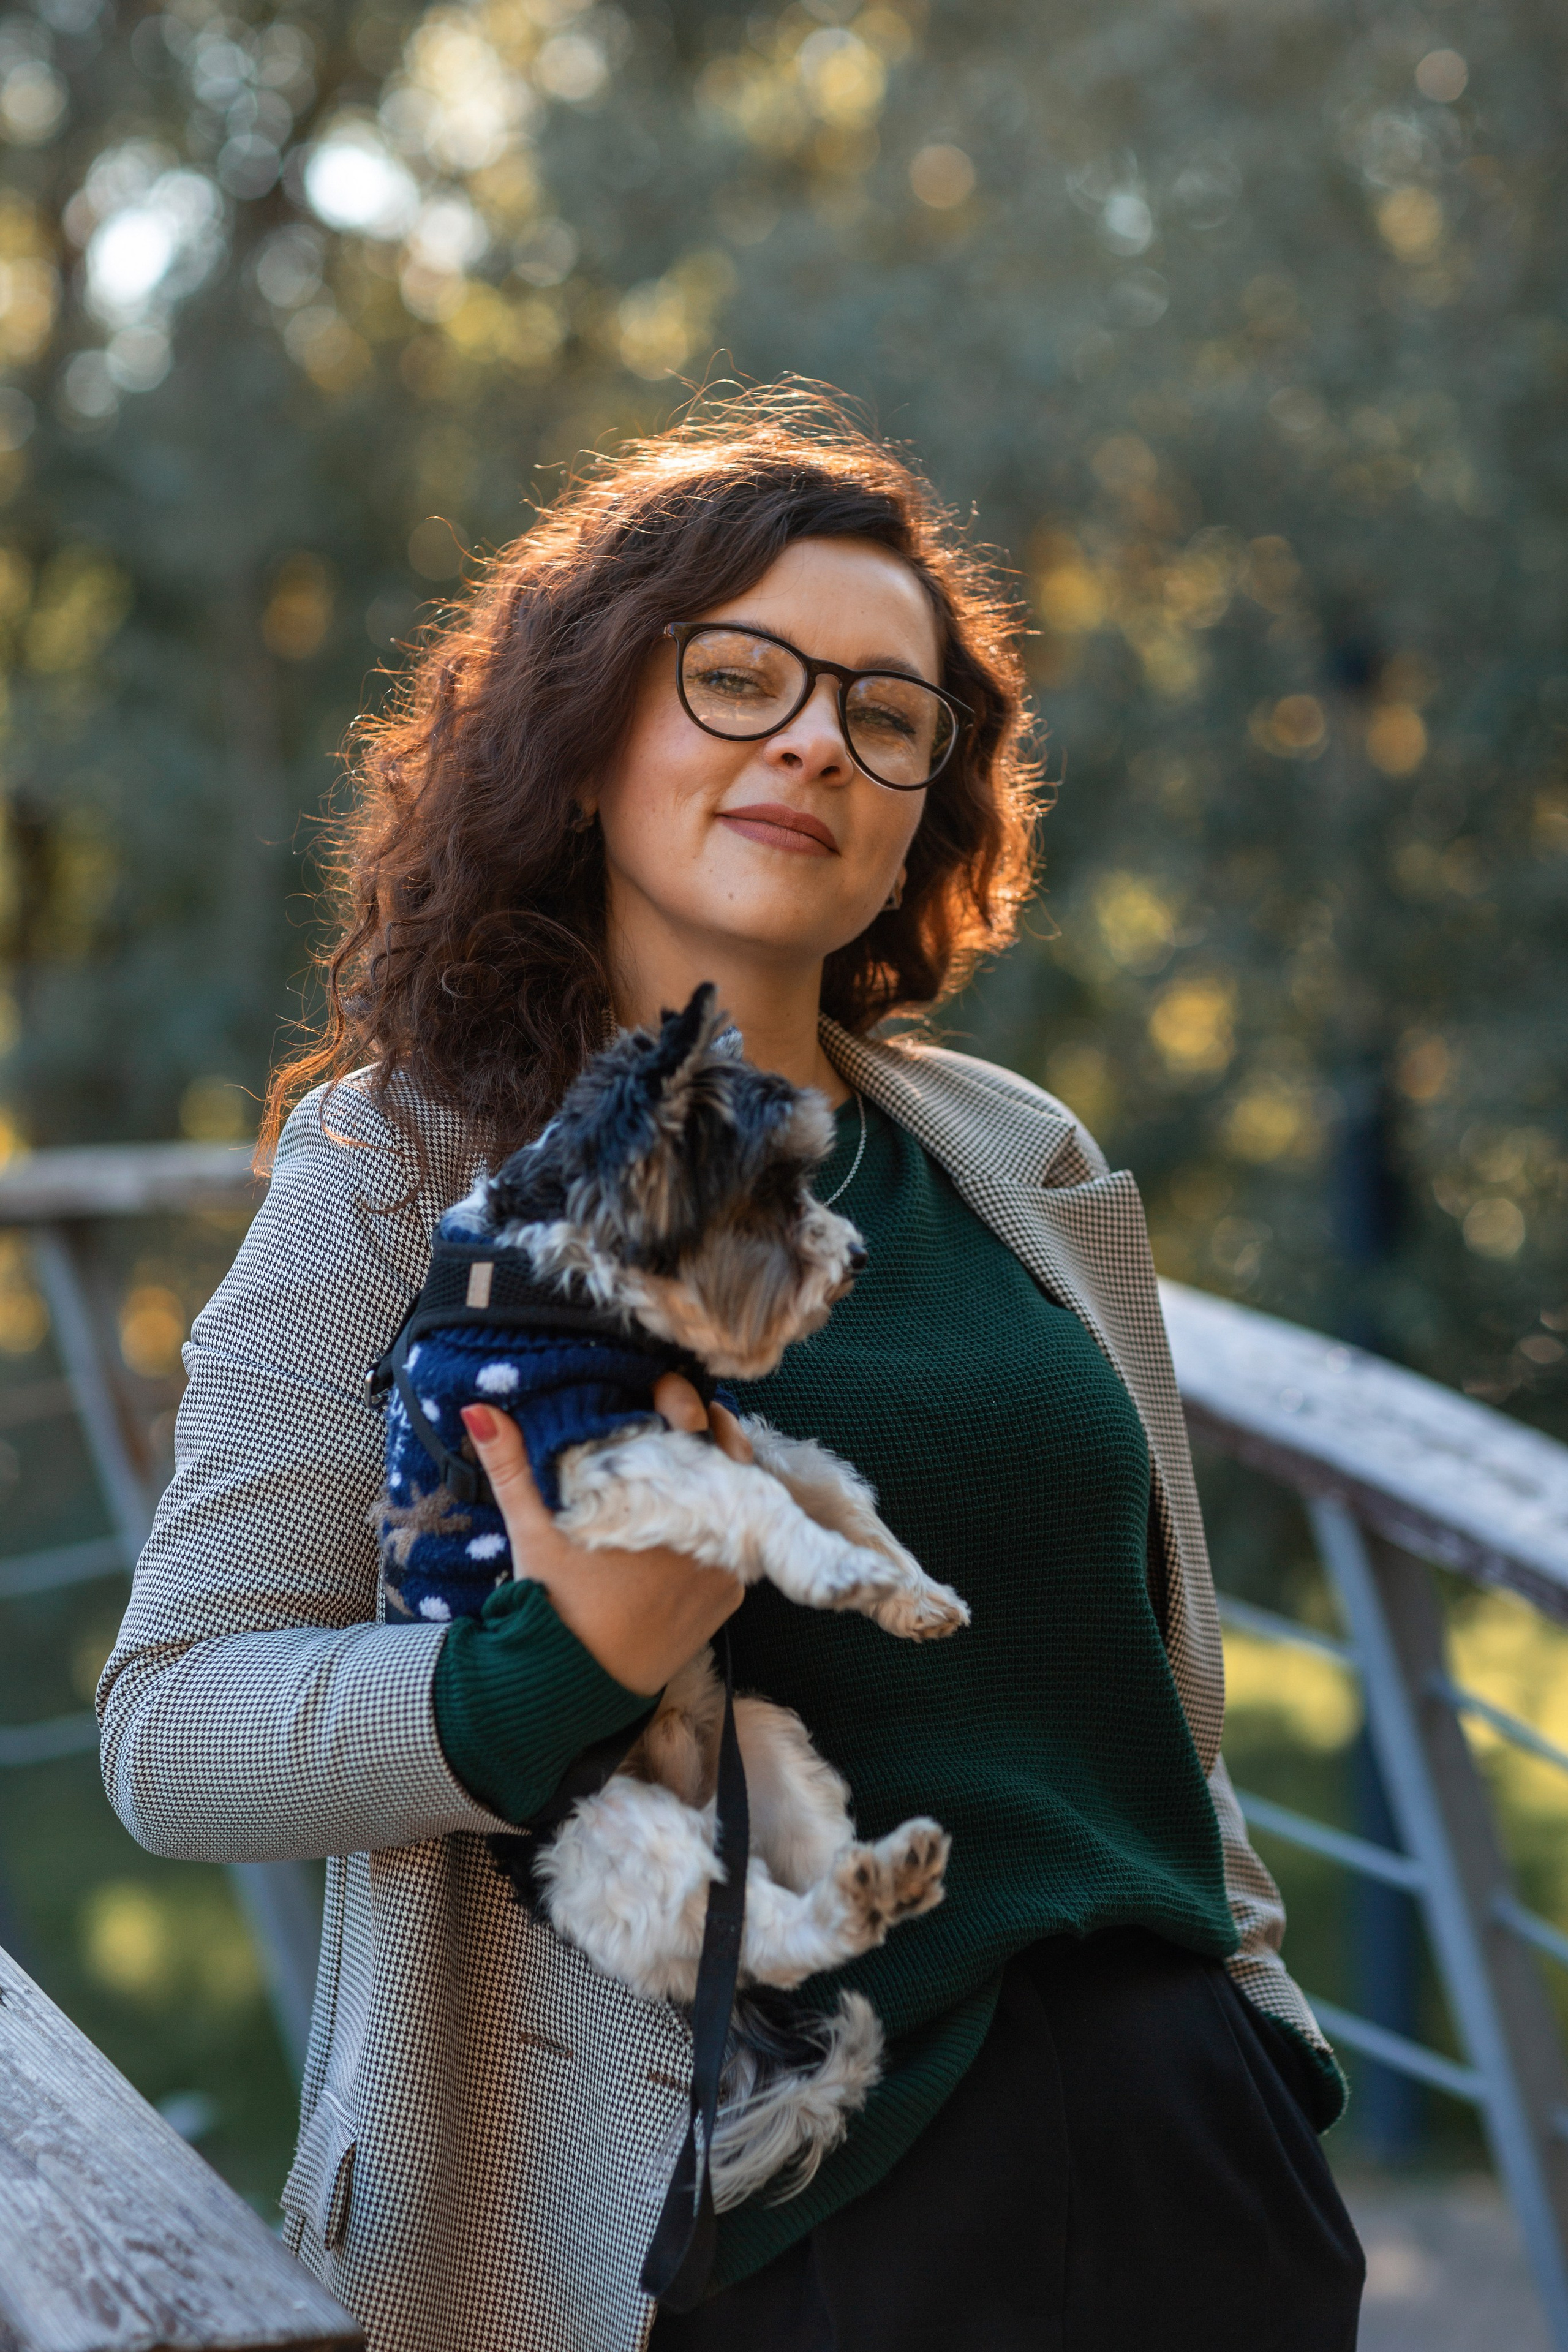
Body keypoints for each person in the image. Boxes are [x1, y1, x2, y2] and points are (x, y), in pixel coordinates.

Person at [98, 388, 1365, 2352]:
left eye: (885, 713)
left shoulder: (1012, 1155)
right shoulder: (396, 1170)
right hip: (751, 2231)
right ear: (595, 732)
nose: (814, 743)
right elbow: (173, 1728)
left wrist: (1261, 2045)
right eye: (743, 677)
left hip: (1194, 2180)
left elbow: (1157, 1697)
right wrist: (548, 1671)